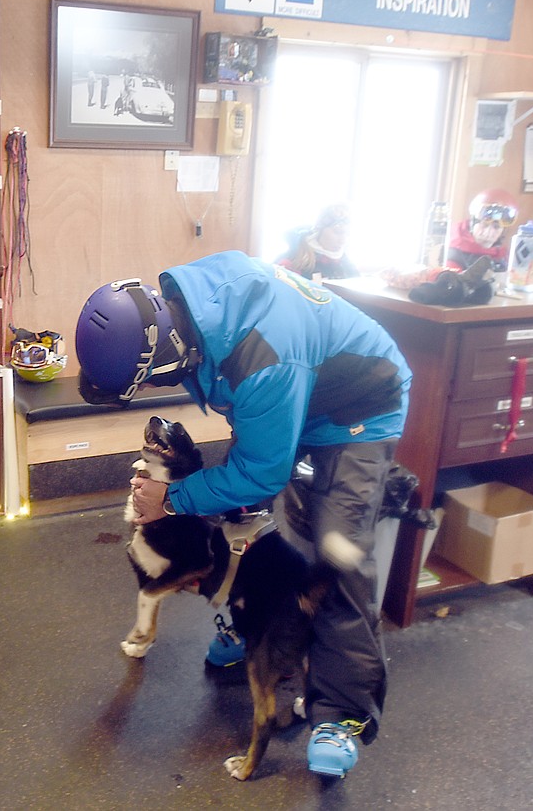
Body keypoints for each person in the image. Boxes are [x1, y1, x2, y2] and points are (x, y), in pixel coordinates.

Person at [75, 252, 412, 778]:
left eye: (148, 384)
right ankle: (254, 625)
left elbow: (261, 472)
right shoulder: (184, 309)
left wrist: (171, 500)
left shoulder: (261, 360)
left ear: (161, 357)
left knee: (335, 546)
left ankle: (340, 714)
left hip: (361, 408)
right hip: (299, 388)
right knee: (254, 516)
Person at [276, 203, 357, 280]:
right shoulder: (292, 262)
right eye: (337, 232)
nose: (343, 240)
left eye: (348, 234)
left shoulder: (346, 264)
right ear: (320, 229)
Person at [446, 188, 517, 271]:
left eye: (496, 227)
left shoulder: (504, 256)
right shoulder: (453, 254)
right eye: (484, 225)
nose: (489, 233)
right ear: (473, 223)